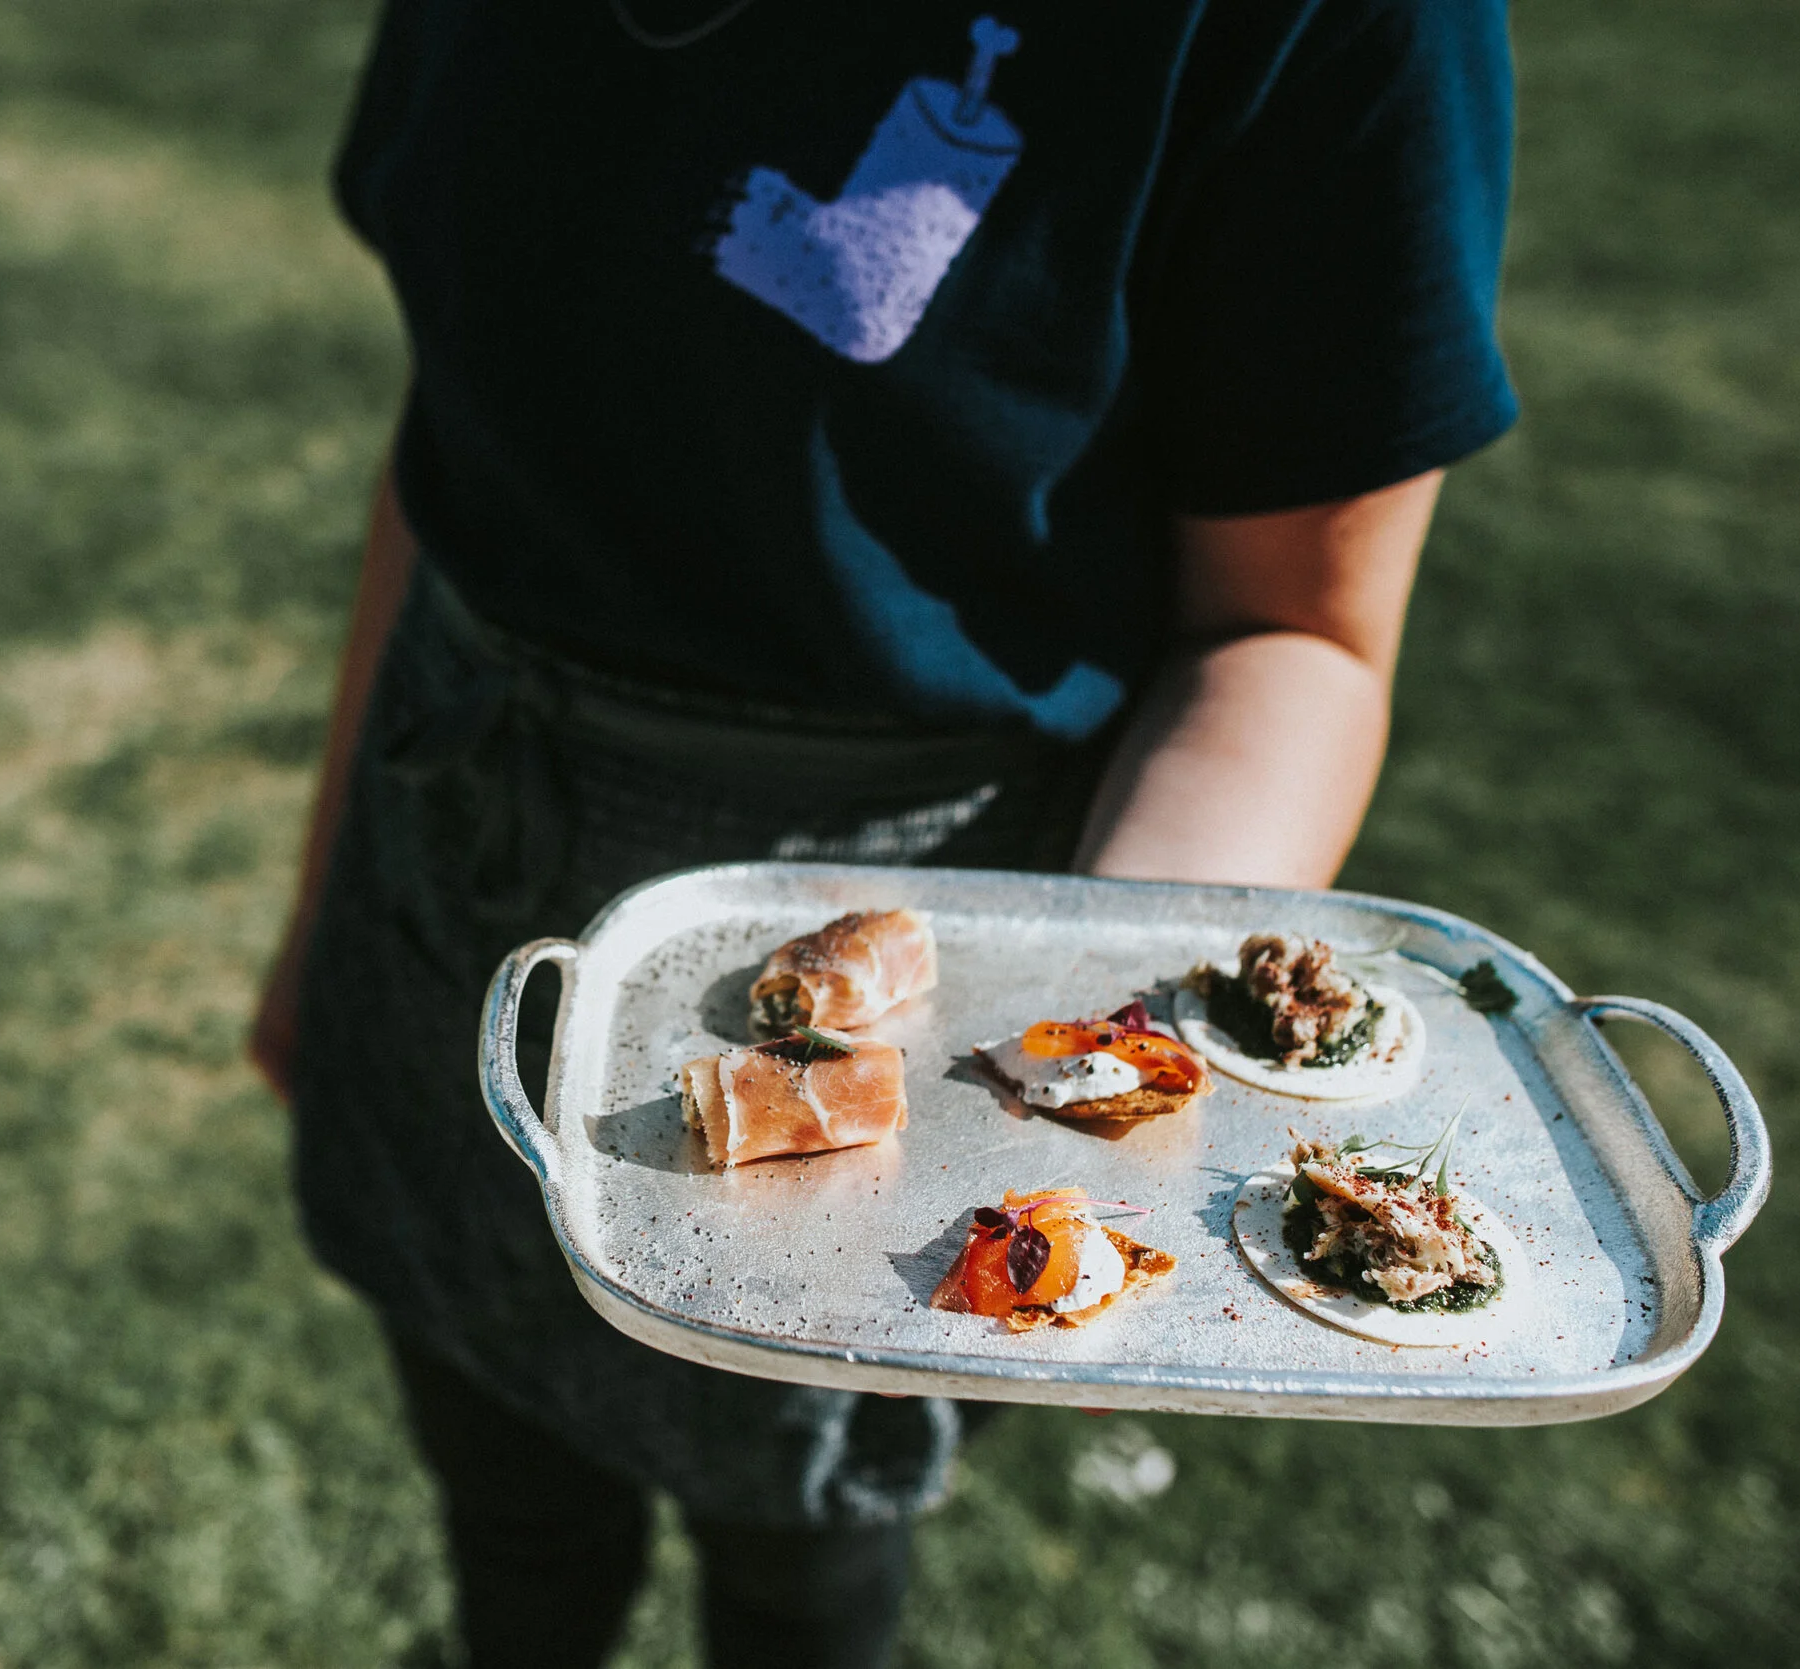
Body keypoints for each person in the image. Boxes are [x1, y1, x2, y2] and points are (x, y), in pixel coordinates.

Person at [252, 3, 1517, 1665]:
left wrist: (1057, 1105)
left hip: (929, 987)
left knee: (800, 1548)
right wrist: (327, 886)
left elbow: (1289, 636)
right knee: (502, 1486)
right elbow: (463, 431)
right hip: (446, 858)